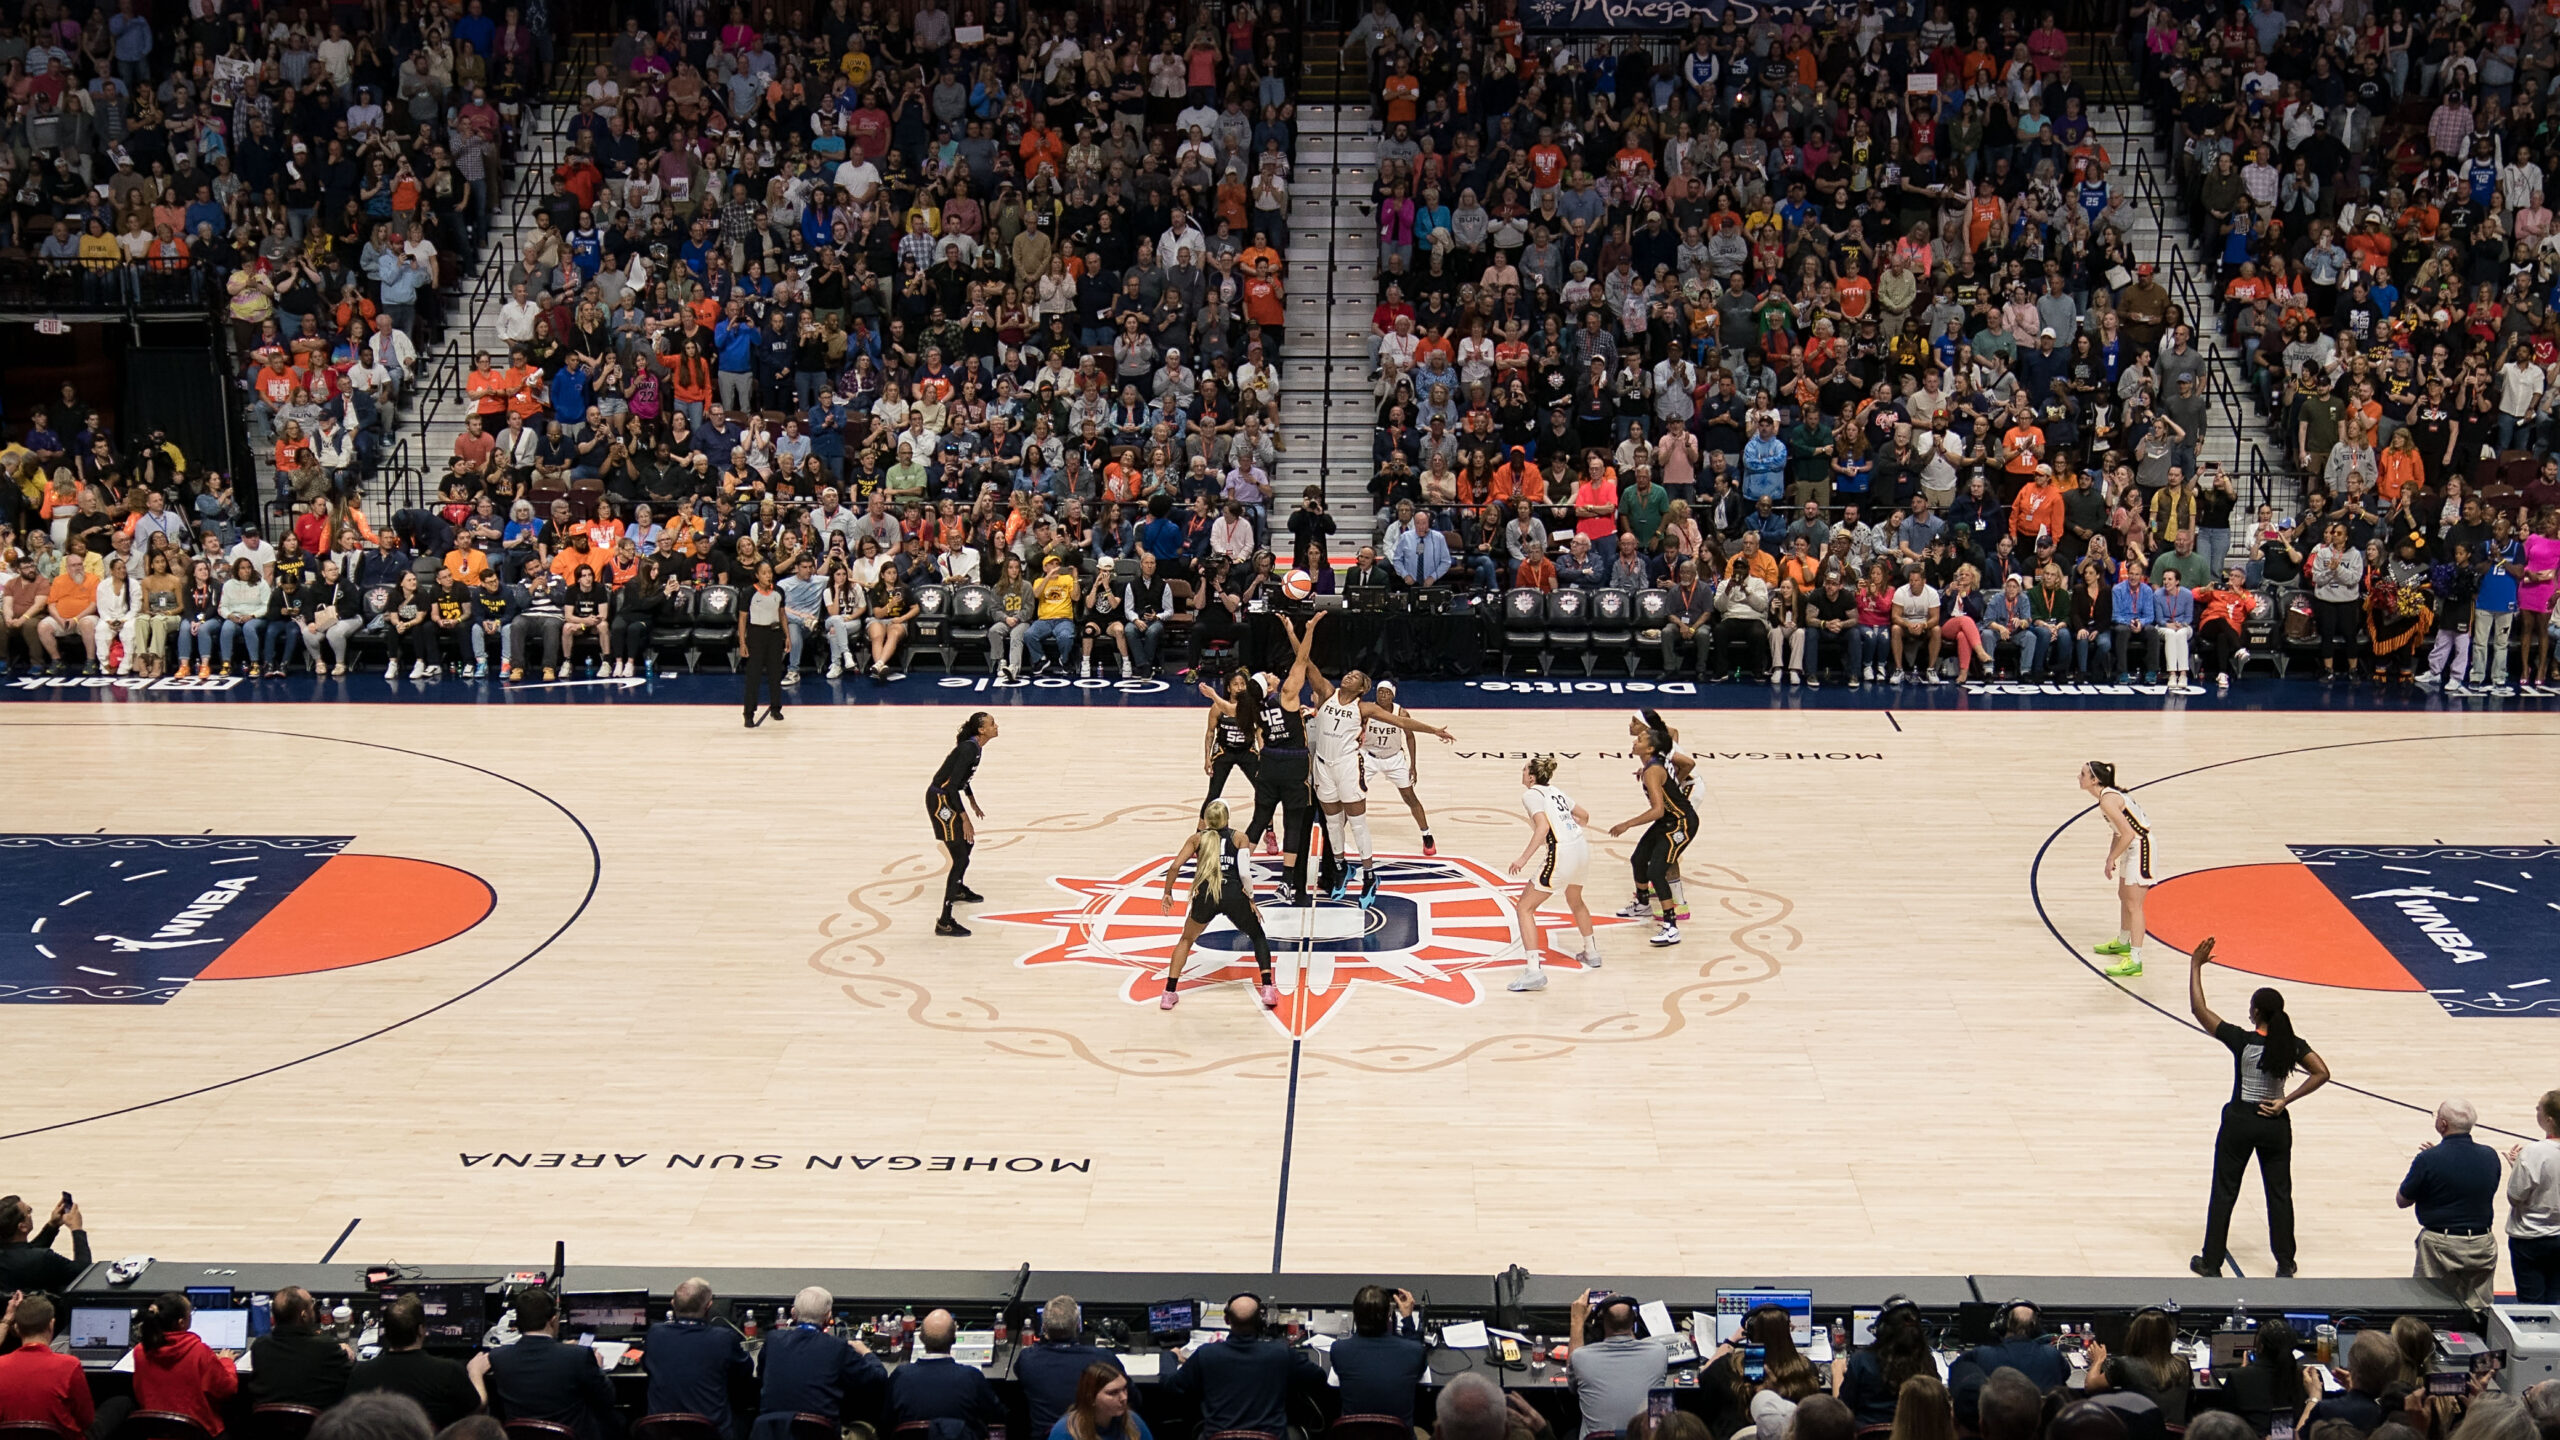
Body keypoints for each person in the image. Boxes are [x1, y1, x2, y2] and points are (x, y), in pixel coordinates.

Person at [2189, 939, 2331, 1278]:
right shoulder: (2292, 1044)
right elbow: (2322, 1072)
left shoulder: (2242, 1040)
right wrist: (2285, 1100)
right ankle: (2285, 1261)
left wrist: (2195, 966)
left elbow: (2200, 1011)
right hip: (2275, 1123)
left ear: (2255, 1012)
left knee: (2225, 1190)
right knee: (2279, 1192)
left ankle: (2211, 1261)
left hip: (2240, 1121)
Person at [1297, 612, 1453, 903]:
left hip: (1346, 767)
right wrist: (1304, 632)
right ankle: (1342, 868)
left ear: (1361, 688)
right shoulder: (1328, 693)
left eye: (1355, 676)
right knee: (1331, 824)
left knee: (1357, 823)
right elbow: (1304, 663)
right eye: (1349, 673)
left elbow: (1405, 725)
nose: (1348, 675)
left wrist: (1433, 730)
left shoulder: (1365, 708)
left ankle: (1369, 874)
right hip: (1322, 768)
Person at [1156, 799, 1277, 1012]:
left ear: (1206, 820)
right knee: (1257, 936)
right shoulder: (1239, 837)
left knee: (1186, 939)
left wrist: (1167, 892)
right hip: (1233, 894)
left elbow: (1175, 866)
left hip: (1205, 895)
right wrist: (1250, 899)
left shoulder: (1196, 839)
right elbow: (1244, 873)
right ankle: (1267, 988)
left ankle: (1169, 992)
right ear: (1227, 818)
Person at [1163, 1295, 1322, 1440]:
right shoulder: (1280, 1353)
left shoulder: (1206, 1354)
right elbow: (1319, 1377)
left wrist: (1169, 1357)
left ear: (1226, 1320)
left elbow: (1171, 1385)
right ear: (1261, 1322)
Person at [474, 1290, 620, 1440]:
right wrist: (598, 1368)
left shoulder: (499, 1357)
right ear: (553, 1320)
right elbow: (607, 1398)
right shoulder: (579, 1356)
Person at [1506, 755, 1598, 993]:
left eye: (1525, 769)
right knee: (1576, 900)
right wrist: (1570, 832)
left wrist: (1523, 858)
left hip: (1562, 854)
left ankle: (1534, 972)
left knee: (1524, 908)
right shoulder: (1557, 791)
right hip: (1581, 849)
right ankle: (1591, 952)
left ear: (1532, 776)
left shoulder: (1531, 795)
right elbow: (1585, 816)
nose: (1522, 771)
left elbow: (1543, 827)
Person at [2401, 1100, 2504, 1311]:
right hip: (2482, 1242)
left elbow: (2402, 1200)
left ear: (2443, 1124)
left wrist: (2429, 1163)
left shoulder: (2428, 1159)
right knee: (2481, 1311)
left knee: (2432, 1308)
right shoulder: (2490, 1155)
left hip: (2440, 1245)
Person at [1606, 718, 1697, 948]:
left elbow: (1657, 810)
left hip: (1681, 823)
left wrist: (1627, 824)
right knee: (1638, 859)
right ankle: (1643, 903)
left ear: (1650, 749)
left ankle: (1671, 927)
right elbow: (1680, 758)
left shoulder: (1653, 770)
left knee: (1657, 871)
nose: (1635, 741)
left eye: (1641, 740)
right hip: (1669, 819)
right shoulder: (1653, 764)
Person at [753, 1288, 886, 1440]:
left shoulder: (773, 1340)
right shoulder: (837, 1347)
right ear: (828, 1315)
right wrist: (867, 1353)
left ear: (793, 1313)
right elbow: (878, 1379)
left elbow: (762, 1376)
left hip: (768, 1432)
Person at [347, 1294, 485, 1431]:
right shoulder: (448, 1370)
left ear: (386, 1332)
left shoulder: (360, 1373)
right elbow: (477, 1406)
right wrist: (476, 1372)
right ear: (421, 1330)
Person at [642, 1279, 752, 1436]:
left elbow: (647, 1366)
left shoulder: (655, 1334)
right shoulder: (724, 1338)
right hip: (711, 1434)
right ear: (709, 1306)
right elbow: (744, 1371)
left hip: (662, 1433)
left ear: (672, 1304)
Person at [2080, 761, 2156, 977]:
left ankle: (2136, 960)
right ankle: (2123, 941)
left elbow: (2129, 834)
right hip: (2131, 846)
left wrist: (2113, 856)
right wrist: (2110, 857)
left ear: (2095, 780)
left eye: (2083, 774)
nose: (2079, 777)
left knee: (2134, 905)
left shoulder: (2107, 801)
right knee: (2123, 895)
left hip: (2141, 847)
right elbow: (2118, 832)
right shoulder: (2107, 797)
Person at [929, 712, 999, 936]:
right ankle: (945, 921)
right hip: (941, 801)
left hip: (947, 798)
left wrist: (972, 801)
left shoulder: (975, 747)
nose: (996, 726)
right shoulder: (969, 749)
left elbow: (961, 780)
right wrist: (965, 818)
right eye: (992, 724)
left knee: (966, 847)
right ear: (981, 730)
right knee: (960, 856)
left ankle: (957, 889)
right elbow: (950, 788)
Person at [131, 1292, 240, 1435]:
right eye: (191, 1313)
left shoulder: (140, 1351)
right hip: (200, 1434)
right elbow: (227, 1389)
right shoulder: (199, 1352)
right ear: (181, 1323)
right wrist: (226, 1362)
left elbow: (140, 1393)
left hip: (158, 1434)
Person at [1014, 1298, 1123, 1438]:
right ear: (1078, 1326)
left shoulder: (1028, 1359)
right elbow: (1133, 1399)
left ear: (1044, 1328)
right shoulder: (1104, 1358)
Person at [1566, 1291, 1668, 1438]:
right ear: (1634, 1321)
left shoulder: (1580, 1358)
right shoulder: (1658, 1353)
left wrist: (1577, 1321)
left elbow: (1572, 1386)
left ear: (1601, 1323)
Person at [887, 1309, 1001, 1440]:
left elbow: (886, 1423)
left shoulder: (900, 1376)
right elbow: (996, 1416)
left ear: (920, 1338)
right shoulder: (972, 1377)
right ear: (954, 1339)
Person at [1358, 679, 1438, 855]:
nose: (1383, 695)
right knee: (1352, 795)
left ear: (1393, 695)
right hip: (1369, 757)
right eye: (1380, 692)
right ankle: (1335, 834)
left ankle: (1427, 834)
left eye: (1387, 692)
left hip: (1394, 758)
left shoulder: (1401, 712)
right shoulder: (1368, 710)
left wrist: (1413, 765)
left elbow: (1410, 737)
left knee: (1410, 797)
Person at [1328, 1286, 1428, 1426]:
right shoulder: (1414, 1350)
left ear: (1355, 1314)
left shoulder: (1339, 1350)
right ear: (1389, 1315)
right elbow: (1418, 1365)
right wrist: (1407, 1319)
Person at [0, 1295, 93, 1437]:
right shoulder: (69, 1365)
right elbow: (86, 1419)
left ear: (17, 1329)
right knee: (121, 1403)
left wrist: (7, 1319)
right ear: (51, 1324)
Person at [248, 1286, 355, 1408]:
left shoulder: (260, 1346)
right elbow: (352, 1379)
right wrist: (345, 1355)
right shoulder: (326, 1347)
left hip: (269, 1426)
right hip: (319, 1425)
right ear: (304, 1315)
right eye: (311, 1304)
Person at [2510, 1090, 2560, 1303]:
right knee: (2556, 1303)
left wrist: (2518, 1170)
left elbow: (2515, 1196)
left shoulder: (2533, 1152)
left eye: (2539, 1108)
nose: (2535, 1111)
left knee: (2532, 1309)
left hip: (2531, 1239)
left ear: (2548, 1120)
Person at [1959, 1304, 2070, 1390]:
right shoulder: (2051, 1355)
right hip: (2039, 1418)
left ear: (2002, 1325)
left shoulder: (1983, 1355)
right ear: (2036, 1329)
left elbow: (1957, 1372)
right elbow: (2064, 1374)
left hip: (1996, 1418)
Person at [1198, 670, 1260, 816]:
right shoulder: (1218, 708)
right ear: (1228, 688)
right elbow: (1210, 733)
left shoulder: (1252, 706)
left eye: (1243, 684)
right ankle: (1199, 832)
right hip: (1224, 751)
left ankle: (1269, 831)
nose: (1239, 688)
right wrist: (1207, 758)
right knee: (1213, 794)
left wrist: (1263, 755)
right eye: (1236, 684)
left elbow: (1259, 733)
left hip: (1247, 751)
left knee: (1263, 791)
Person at [0, 1193, 88, 1294]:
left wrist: (52, 1226)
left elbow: (23, 1253)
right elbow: (84, 1272)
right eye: (28, 1211)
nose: (30, 1213)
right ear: (22, 1227)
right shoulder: (44, 1258)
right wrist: (77, 1229)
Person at [738, 560, 786, 726]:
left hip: (774, 633)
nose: (768, 576)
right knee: (754, 675)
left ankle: (776, 708)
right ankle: (749, 712)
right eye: (764, 573)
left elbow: (782, 614)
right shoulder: (749, 592)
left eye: (770, 572)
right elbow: (743, 618)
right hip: (756, 634)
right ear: (757, 575)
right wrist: (742, 642)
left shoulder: (779, 591)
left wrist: (787, 636)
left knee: (775, 672)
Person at [1051, 1361, 1151, 1440]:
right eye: (1113, 1393)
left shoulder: (1133, 1421)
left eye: (1124, 1389)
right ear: (1091, 1398)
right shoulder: (1064, 1432)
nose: (1123, 1398)